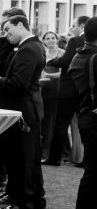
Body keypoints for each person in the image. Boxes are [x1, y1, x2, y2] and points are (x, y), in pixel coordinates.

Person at [0, 14, 46, 209]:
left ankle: (24, 201)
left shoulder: (29, 49)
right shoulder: (29, 46)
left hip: (24, 110)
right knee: (19, 156)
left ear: (20, 25)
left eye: (8, 30)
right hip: (23, 108)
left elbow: (19, 83)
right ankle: (25, 196)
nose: (5, 35)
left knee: (23, 158)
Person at [0, 7, 27, 189]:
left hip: (13, 97)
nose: (3, 29)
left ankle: (6, 179)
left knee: (9, 143)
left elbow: (2, 68)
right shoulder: (4, 44)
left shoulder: (18, 46)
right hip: (1, 95)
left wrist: (2, 42)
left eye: (6, 24)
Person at [44, 16, 89, 166]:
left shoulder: (75, 41)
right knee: (84, 124)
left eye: (73, 25)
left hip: (69, 88)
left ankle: (54, 158)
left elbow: (65, 61)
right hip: (85, 89)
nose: (71, 28)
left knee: (61, 123)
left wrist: (50, 62)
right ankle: (84, 158)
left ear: (82, 26)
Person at [67, 16, 97, 209]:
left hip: (88, 116)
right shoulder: (92, 57)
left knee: (93, 171)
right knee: (94, 172)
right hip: (93, 118)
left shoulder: (80, 55)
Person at [39, 30, 65, 158]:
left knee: (51, 118)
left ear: (57, 39)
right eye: (47, 38)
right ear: (43, 40)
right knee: (42, 117)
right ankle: (41, 148)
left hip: (55, 87)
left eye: (52, 38)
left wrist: (49, 75)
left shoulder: (62, 53)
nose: (50, 40)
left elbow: (63, 73)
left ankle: (48, 150)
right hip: (42, 87)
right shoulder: (42, 52)